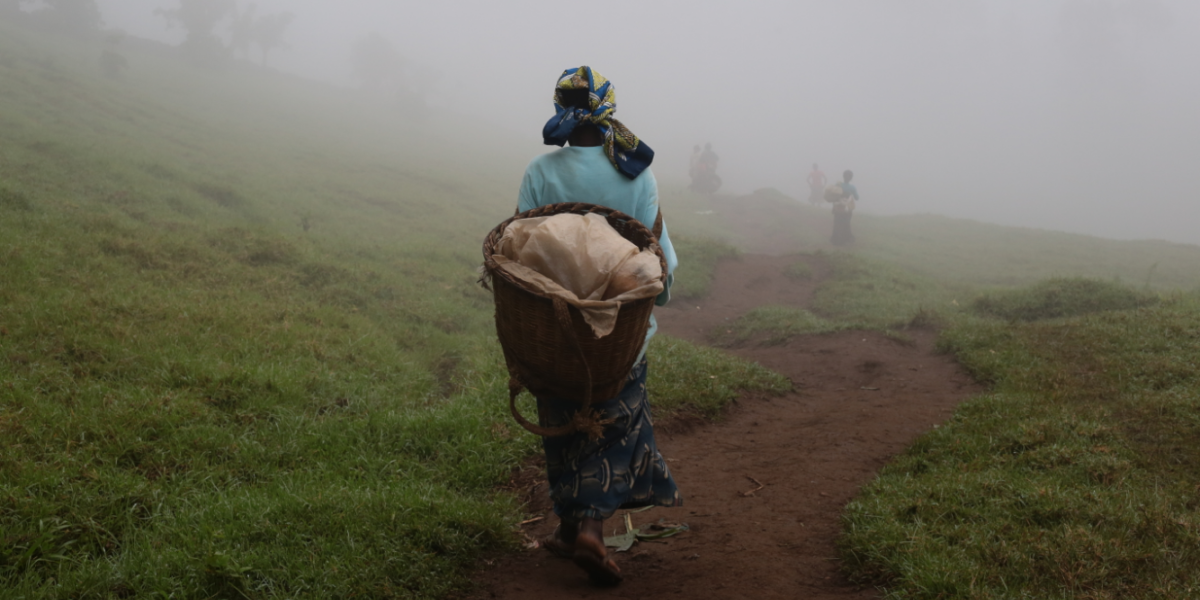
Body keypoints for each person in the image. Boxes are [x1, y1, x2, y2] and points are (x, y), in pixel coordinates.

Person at [517, 66, 681, 587]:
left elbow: (521, 251)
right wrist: (662, 295)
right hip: (619, 333)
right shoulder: (637, 174)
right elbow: (657, 254)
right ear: (607, 108)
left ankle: (568, 529)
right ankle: (588, 528)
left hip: (554, 327)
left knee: (564, 418)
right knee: (612, 422)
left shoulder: (541, 171)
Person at [831, 169, 859, 245]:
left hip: (838, 208)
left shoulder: (838, 185)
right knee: (846, 223)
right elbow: (857, 198)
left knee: (837, 223)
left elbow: (833, 195)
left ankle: (836, 239)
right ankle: (846, 238)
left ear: (843, 176)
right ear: (851, 178)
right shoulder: (852, 187)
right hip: (847, 210)